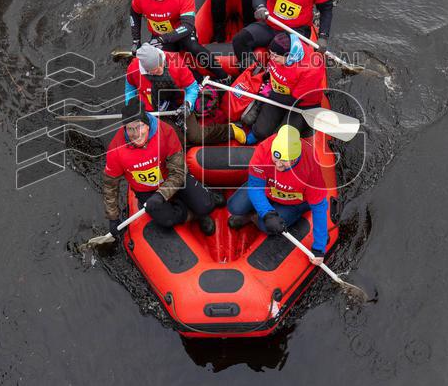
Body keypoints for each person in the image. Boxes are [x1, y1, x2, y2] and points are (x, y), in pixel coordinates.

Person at [103, 99, 218, 236]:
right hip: (146, 190)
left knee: (206, 205)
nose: (136, 134)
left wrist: (161, 194)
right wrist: (113, 218)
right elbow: (110, 186)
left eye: (139, 126)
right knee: (167, 220)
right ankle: (192, 215)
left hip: (172, 179)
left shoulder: (166, 132)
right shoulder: (115, 149)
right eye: (130, 129)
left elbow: (179, 172)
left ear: (147, 125)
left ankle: (202, 201)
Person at [226, 125, 328, 264]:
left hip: (294, 201)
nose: (278, 165)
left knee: (265, 226)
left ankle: (253, 217)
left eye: (284, 161)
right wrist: (268, 213)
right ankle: (257, 213)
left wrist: (319, 247)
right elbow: (255, 186)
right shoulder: (264, 150)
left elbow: (319, 206)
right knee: (234, 206)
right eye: (276, 158)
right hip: (268, 190)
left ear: (295, 158)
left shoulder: (310, 165)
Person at [130, 0, 229, 82]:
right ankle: (198, 80)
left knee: (194, 47)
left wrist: (164, 38)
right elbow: (134, 14)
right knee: (165, 63)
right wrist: (136, 40)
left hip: (181, 31)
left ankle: (224, 76)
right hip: (159, 34)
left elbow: (188, 25)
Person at [246, 32, 325, 143]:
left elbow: (293, 101)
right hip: (278, 94)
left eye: (275, 56)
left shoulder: (311, 70)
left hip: (302, 106)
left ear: (289, 56)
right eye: (270, 54)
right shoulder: (277, 55)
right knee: (260, 132)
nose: (271, 58)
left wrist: (269, 94)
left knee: (280, 139)